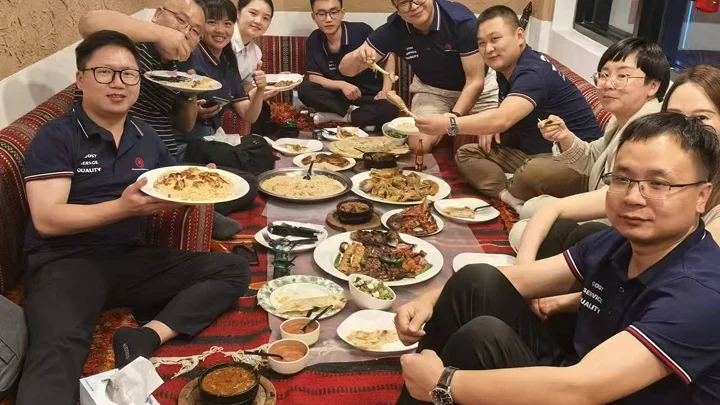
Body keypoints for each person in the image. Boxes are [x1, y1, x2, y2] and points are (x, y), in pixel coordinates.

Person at [395, 112, 720, 405]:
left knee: (477, 344)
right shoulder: (618, 243)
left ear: (702, 196)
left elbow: (585, 388)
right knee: (475, 281)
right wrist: (429, 299)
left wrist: (444, 384)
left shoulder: (702, 294)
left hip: (588, 389)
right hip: (578, 371)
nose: (634, 197)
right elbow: (519, 279)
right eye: (622, 179)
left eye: (658, 184)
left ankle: (427, 388)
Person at [16, 31, 250, 405]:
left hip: (128, 257)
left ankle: (146, 336)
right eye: (105, 72)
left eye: (128, 74)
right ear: (80, 79)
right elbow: (47, 219)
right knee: (56, 353)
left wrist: (197, 188)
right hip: (65, 262)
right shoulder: (57, 136)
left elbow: (169, 188)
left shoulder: (144, 135)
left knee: (233, 270)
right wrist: (122, 208)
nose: (119, 83)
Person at [507, 66, 720, 333]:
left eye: (700, 119)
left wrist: (560, 301)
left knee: (588, 235)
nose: (685, 131)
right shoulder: (632, 140)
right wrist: (526, 272)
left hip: (657, 317)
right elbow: (560, 206)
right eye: (675, 118)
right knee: (565, 233)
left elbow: (679, 293)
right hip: (612, 292)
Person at [79, 0, 260, 238]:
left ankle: (185, 206)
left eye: (194, 31)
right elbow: (88, 22)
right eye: (181, 21)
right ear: (157, 15)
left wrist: (190, 93)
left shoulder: (177, 66)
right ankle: (184, 211)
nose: (185, 33)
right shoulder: (132, 50)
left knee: (246, 183)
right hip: (136, 161)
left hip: (168, 156)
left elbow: (184, 125)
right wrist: (160, 34)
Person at [413, 6, 601, 210]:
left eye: (495, 39)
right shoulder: (507, 68)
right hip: (530, 154)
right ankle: (512, 197)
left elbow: (502, 119)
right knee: (466, 153)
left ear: (519, 35)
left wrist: (448, 125)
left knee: (532, 172)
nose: (488, 49)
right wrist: (492, 125)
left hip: (575, 163)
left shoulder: (532, 72)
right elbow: (505, 110)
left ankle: (517, 187)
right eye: (481, 43)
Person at [513, 38, 669, 208]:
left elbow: (617, 198)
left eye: (622, 76)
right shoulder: (621, 118)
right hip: (601, 201)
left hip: (618, 215)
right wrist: (564, 136)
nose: (608, 84)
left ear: (653, 86)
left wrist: (557, 209)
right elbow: (593, 158)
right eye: (604, 75)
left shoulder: (649, 133)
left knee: (533, 207)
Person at [338, 0, 499, 153]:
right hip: (432, 91)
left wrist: (453, 119)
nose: (413, 6)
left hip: (477, 90)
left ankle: (452, 132)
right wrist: (358, 56)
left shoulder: (462, 22)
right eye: (403, 2)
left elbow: (475, 81)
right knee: (418, 144)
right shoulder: (394, 28)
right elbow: (346, 70)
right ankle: (448, 132)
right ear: (397, 8)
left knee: (485, 146)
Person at [297, 0, 399, 130]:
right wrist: (342, 85)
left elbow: (388, 57)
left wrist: (386, 91)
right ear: (314, 17)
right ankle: (358, 116)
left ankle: (340, 117)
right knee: (304, 90)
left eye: (334, 12)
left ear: (342, 13)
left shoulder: (361, 31)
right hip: (338, 98)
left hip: (368, 96)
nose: (328, 19)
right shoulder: (314, 39)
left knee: (389, 109)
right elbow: (313, 77)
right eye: (321, 14)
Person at [181, 0, 267, 139]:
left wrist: (260, 90)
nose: (220, 30)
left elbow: (248, 115)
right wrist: (193, 111)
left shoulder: (228, 60)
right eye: (212, 22)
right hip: (184, 139)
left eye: (227, 24)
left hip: (211, 137)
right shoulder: (190, 53)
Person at [232, 0, 279, 136]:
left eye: (265, 18)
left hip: (235, 96)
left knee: (264, 109)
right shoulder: (224, 39)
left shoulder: (256, 52)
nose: (258, 21)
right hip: (215, 94)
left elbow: (246, 83)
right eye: (253, 13)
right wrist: (250, 94)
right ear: (238, 13)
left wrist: (260, 90)